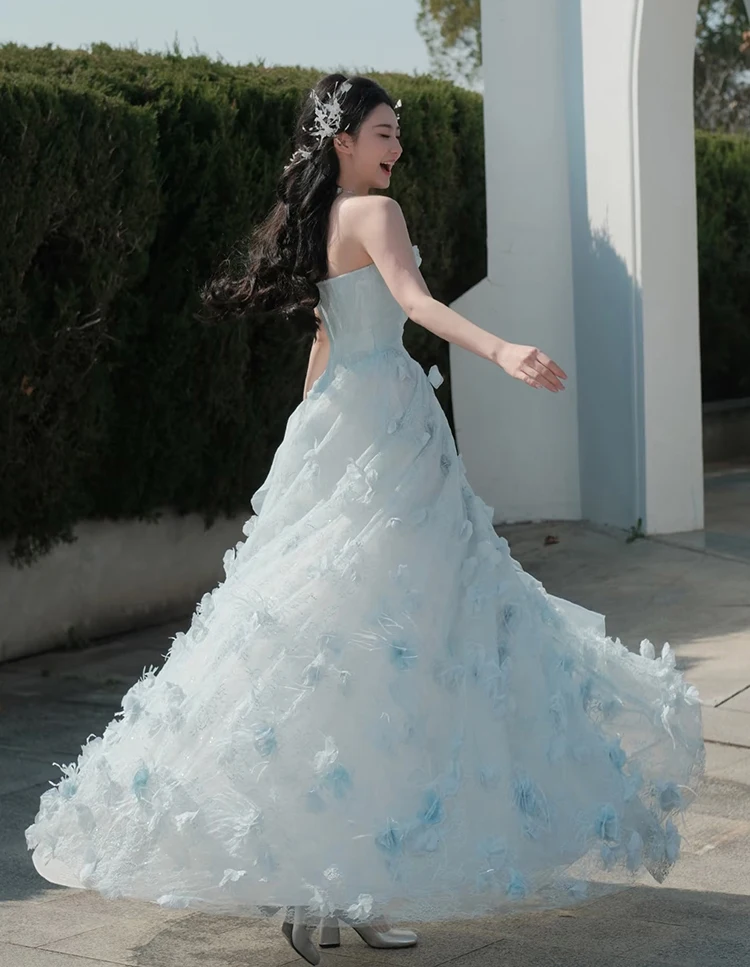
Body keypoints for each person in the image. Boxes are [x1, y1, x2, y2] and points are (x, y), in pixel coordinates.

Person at [26, 73, 705, 966]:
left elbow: (323, 340)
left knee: (354, 645)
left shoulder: (318, 221)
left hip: (347, 416)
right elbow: (414, 305)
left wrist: (304, 435)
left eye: (398, 133)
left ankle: (357, 887)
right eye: (384, 132)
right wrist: (502, 349)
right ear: (342, 139)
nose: (397, 147)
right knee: (404, 640)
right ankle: (344, 886)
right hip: (385, 421)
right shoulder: (377, 218)